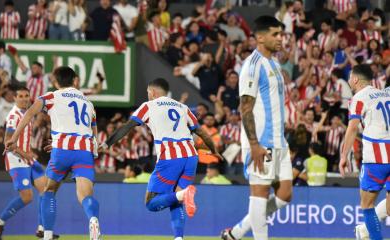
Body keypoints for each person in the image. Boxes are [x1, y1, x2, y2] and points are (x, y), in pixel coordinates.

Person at [105, 78, 222, 240]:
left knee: (151, 203)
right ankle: (179, 237)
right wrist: (214, 150)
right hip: (190, 157)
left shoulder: (148, 106)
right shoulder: (183, 107)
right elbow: (201, 133)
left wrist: (106, 143)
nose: (148, 96)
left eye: (148, 93)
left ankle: (185, 194)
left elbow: (127, 126)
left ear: (153, 92)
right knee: (176, 200)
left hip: (170, 158)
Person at [5, 66, 101, 240]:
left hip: (61, 152)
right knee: (85, 195)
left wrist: (13, 138)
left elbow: (28, 114)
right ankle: (93, 219)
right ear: (74, 81)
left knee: (49, 191)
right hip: (84, 151)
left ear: (56, 82)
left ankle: (47, 235)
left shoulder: (51, 96)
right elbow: (93, 132)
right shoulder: (88, 103)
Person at [221, 16, 292, 240]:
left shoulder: (275, 62)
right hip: (261, 141)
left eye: (281, 34)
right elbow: (245, 108)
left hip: (279, 140)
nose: (280, 38)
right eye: (275, 34)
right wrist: (253, 144)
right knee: (259, 195)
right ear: (260, 37)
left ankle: (236, 232)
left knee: (284, 195)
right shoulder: (252, 65)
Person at [0, 87, 58, 240]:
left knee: (46, 189)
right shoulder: (14, 115)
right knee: (27, 197)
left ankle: (41, 228)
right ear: (14, 98)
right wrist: (24, 154)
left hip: (27, 158)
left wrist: (29, 153)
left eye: (26, 96)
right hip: (16, 158)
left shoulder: (27, 113)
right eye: (20, 96)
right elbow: (8, 141)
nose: (24, 99)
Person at [339, 64, 390, 240]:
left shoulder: (359, 98)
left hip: (375, 159)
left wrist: (344, 156)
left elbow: (352, 127)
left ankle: (366, 232)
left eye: (349, 78)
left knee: (367, 205)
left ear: (355, 79)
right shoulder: (387, 93)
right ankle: (364, 231)